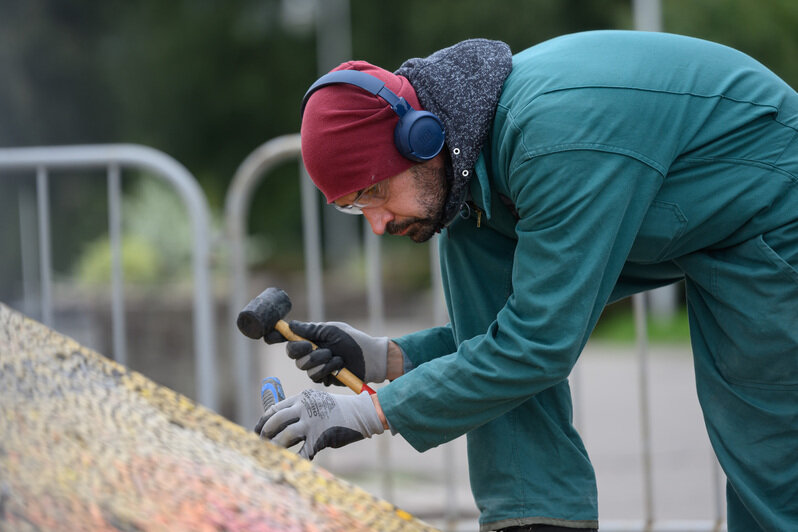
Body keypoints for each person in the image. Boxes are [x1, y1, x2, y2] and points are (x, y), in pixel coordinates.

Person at [255, 30, 798, 532]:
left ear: (418, 139)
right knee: (471, 250)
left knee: (769, 460)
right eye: (354, 209)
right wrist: (384, 358)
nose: (377, 224)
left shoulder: (551, 140)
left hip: (775, 202)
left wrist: (368, 412)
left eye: (373, 191)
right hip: (696, 219)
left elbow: (538, 343)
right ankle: (536, 519)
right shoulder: (462, 179)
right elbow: (497, 336)